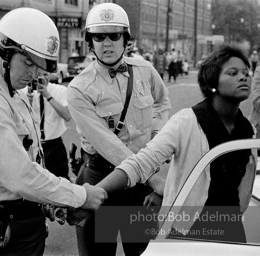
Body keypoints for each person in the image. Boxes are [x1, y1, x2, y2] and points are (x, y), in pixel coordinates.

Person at [0, 7, 107, 256]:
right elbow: (19, 175)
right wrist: (79, 195)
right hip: (1, 227)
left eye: (39, 67)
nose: (33, 74)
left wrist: (50, 204)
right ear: (5, 51)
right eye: (27, 63)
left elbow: (30, 159)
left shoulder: (10, 87)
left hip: (20, 220)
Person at [96, 44, 257, 243]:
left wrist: (167, 191)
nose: (244, 77)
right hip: (186, 233)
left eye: (246, 72)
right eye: (233, 73)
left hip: (231, 231)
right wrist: (95, 192)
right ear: (212, 83)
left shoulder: (248, 130)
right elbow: (140, 163)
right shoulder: (187, 121)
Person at [66, 3, 171, 256]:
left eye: (115, 35)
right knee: (99, 253)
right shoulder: (79, 88)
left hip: (140, 185)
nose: (107, 43)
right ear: (90, 43)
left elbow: (162, 101)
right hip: (102, 180)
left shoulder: (144, 71)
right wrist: (153, 177)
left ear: (127, 39)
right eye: (99, 37)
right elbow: (107, 145)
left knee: (143, 251)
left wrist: (157, 136)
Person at [21, 71, 71, 180]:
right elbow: (19, 121)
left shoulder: (60, 90)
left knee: (61, 181)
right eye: (38, 75)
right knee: (34, 183)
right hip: (32, 146)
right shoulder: (23, 91)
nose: (42, 78)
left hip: (54, 145)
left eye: (45, 75)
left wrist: (48, 95)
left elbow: (67, 116)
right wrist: (27, 101)